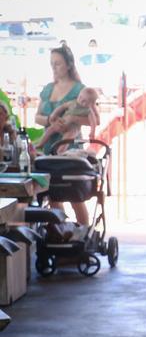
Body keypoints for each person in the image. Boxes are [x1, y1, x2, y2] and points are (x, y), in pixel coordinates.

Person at [36, 44, 90, 223]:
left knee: (74, 194)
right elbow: (38, 117)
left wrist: (70, 121)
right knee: (53, 194)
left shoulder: (79, 90)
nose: (54, 68)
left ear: (68, 65)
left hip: (69, 146)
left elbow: (89, 118)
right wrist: (51, 121)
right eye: (52, 64)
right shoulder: (48, 89)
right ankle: (60, 231)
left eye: (58, 63)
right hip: (49, 143)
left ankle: (82, 233)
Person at [35, 87, 99, 153]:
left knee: (67, 139)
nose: (81, 101)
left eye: (85, 101)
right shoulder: (72, 103)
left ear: (91, 104)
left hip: (73, 128)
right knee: (50, 130)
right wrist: (54, 114)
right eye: (80, 97)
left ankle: (60, 151)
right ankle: (41, 144)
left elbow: (93, 122)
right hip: (62, 123)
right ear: (79, 95)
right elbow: (62, 107)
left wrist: (92, 132)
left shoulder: (88, 111)